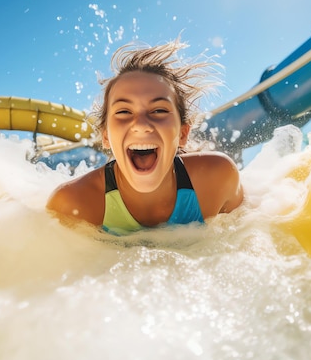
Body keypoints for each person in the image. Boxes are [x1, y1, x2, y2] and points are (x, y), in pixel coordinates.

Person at [47, 38, 244, 235]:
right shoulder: (74, 205)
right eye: (124, 112)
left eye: (158, 110)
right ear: (105, 136)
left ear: (183, 133)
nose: (141, 125)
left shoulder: (217, 180)